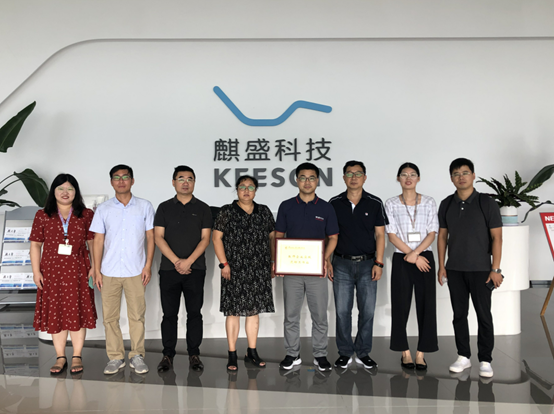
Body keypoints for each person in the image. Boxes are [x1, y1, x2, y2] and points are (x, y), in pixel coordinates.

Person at [437, 158, 503, 378]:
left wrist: (495, 269)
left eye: (465, 173)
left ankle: (485, 359)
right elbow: (442, 237)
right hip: (455, 269)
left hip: (482, 270)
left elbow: (497, 238)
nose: (461, 177)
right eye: (456, 174)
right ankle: (463, 356)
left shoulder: (487, 203)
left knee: (484, 315)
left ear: (473, 176)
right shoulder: (446, 204)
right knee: (459, 315)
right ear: (451, 178)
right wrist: (442, 266)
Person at [90, 164, 155, 375]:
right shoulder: (103, 209)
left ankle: (137, 355)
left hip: (136, 270)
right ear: (111, 182)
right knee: (110, 318)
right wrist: (96, 269)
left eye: (125, 177)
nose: (121, 181)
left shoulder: (145, 206)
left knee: (137, 316)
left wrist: (147, 265)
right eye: (116, 177)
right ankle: (115, 357)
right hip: (108, 271)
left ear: (132, 181)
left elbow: (151, 237)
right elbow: (98, 240)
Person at [30, 173, 97, 374]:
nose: (65, 192)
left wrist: (95, 267)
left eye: (70, 188)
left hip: (79, 271)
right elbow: (35, 245)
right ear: (54, 192)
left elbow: (92, 242)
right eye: (60, 188)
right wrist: (36, 272)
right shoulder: (42, 215)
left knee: (77, 312)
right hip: (52, 273)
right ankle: (60, 357)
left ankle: (77, 356)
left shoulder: (86, 214)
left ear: (76, 192)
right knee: (56, 313)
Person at [275, 162, 339, 372]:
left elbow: (333, 237)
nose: (307, 182)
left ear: (318, 180)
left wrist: (325, 259)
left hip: (316, 272)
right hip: (292, 271)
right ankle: (292, 354)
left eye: (312, 178)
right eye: (303, 177)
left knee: (319, 315)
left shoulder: (326, 208)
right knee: (291, 315)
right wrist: (277, 260)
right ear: (297, 180)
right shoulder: (286, 206)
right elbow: (278, 236)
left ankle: (320, 354)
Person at [212, 175, 276, 371]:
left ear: (256, 190)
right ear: (236, 189)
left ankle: (252, 352)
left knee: (253, 311)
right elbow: (216, 238)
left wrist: (273, 262)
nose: (246, 190)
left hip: (259, 268)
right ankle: (232, 353)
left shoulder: (264, 211)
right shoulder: (226, 211)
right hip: (234, 269)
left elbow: (272, 237)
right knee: (233, 312)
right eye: (242, 187)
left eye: (250, 187)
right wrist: (224, 264)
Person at [329, 160, 387, 370]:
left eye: (358, 173)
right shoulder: (334, 203)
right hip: (341, 264)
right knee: (342, 312)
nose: (354, 177)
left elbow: (380, 235)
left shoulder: (375, 203)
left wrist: (379, 262)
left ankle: (363, 352)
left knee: (368, 311)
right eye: (349, 174)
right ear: (343, 178)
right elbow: (329, 235)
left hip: (368, 264)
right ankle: (345, 352)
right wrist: (327, 261)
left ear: (365, 177)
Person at [154, 166, 212, 372]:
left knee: (194, 313)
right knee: (169, 314)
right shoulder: (163, 208)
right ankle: (167, 355)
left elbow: (205, 239)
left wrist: (188, 262)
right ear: (173, 182)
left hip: (195, 270)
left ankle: (194, 354)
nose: (185, 183)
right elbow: (158, 237)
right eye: (181, 178)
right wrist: (177, 261)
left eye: (190, 179)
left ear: (194, 182)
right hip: (169, 270)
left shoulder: (203, 208)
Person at [385, 162, 439, 370]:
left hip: (424, 257)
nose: (408, 178)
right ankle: (405, 352)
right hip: (402, 258)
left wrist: (416, 254)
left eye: (413, 174)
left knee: (427, 306)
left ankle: (421, 353)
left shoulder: (429, 202)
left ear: (418, 178)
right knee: (400, 305)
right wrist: (411, 255)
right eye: (404, 174)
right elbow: (391, 235)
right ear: (398, 178)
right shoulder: (391, 203)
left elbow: (432, 232)